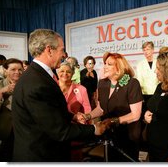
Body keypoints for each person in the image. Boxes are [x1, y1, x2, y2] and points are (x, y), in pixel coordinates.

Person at [11, 29, 107, 162]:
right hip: (41, 157)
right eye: (62, 50)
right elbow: (59, 131)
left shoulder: (36, 75)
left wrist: (72, 116)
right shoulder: (37, 83)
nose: (63, 55)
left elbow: (47, 111)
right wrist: (94, 129)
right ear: (49, 50)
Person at [83, 52, 143, 162]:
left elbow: (135, 115)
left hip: (128, 136)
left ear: (119, 67)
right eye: (105, 63)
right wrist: (87, 116)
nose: (104, 66)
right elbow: (101, 109)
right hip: (108, 135)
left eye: (109, 64)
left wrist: (114, 121)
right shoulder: (102, 83)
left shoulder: (131, 83)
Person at [57, 61, 92, 161]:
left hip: (74, 130)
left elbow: (87, 109)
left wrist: (86, 123)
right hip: (56, 130)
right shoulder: (52, 87)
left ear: (72, 74)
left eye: (68, 72)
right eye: (62, 71)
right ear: (57, 72)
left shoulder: (81, 89)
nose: (65, 74)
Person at [136, 41, 159, 151]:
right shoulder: (140, 64)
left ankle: (154, 141)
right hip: (144, 95)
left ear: (153, 50)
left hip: (156, 95)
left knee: (154, 119)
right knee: (144, 119)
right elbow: (139, 81)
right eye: (144, 50)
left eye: (148, 49)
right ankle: (144, 145)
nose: (146, 52)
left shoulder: (158, 62)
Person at [0, 58, 23, 161]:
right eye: (13, 69)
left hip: (23, 133)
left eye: (20, 69)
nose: (17, 72)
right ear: (5, 71)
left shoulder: (27, 85)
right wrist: (1, 92)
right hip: (3, 132)